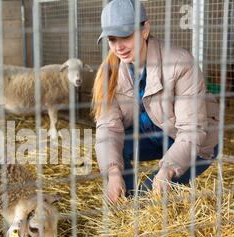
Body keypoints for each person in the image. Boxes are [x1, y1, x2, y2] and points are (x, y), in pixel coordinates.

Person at [92, 0, 219, 203]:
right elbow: (108, 128)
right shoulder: (111, 72)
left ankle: (139, 202)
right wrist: (113, 173)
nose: (118, 47)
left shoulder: (180, 63)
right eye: (112, 39)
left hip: (195, 142)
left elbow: (191, 130)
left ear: (144, 30)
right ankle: (126, 199)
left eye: (125, 36)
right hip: (154, 135)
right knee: (115, 150)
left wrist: (167, 169)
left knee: (148, 196)